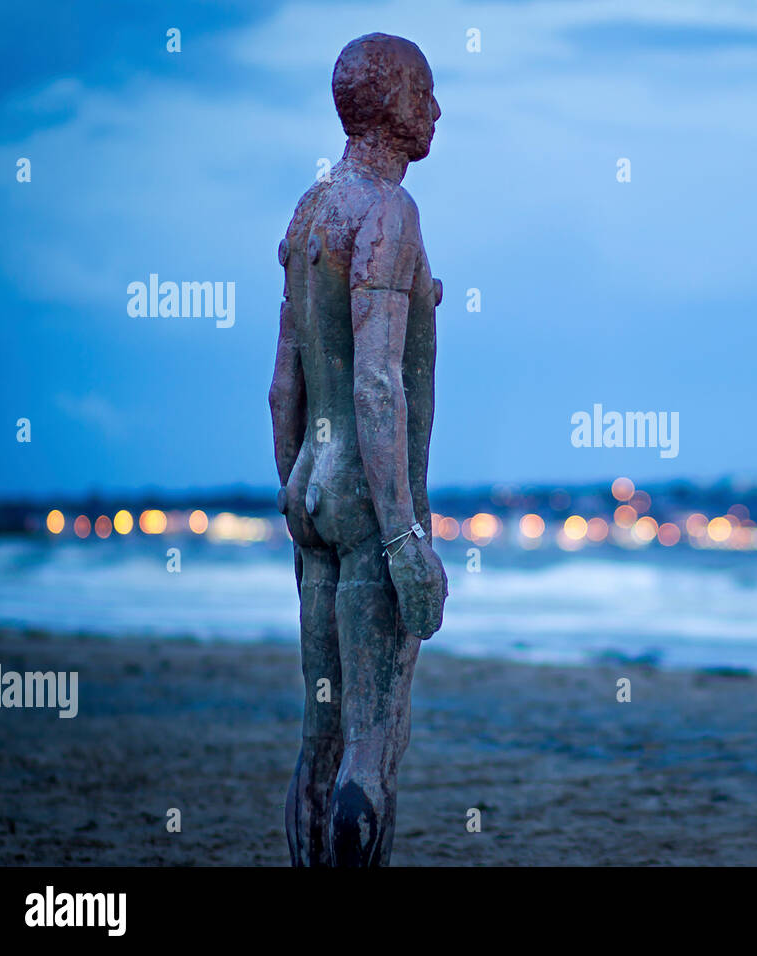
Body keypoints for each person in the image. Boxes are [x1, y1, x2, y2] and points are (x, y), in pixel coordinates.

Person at [268, 32, 447, 867]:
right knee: (374, 742)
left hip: (311, 482)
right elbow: (377, 383)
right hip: (370, 501)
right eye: (427, 94)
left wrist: (295, 507)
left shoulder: (310, 214)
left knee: (321, 728)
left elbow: (284, 388)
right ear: (395, 103)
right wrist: (405, 535)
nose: (436, 111)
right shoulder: (388, 212)